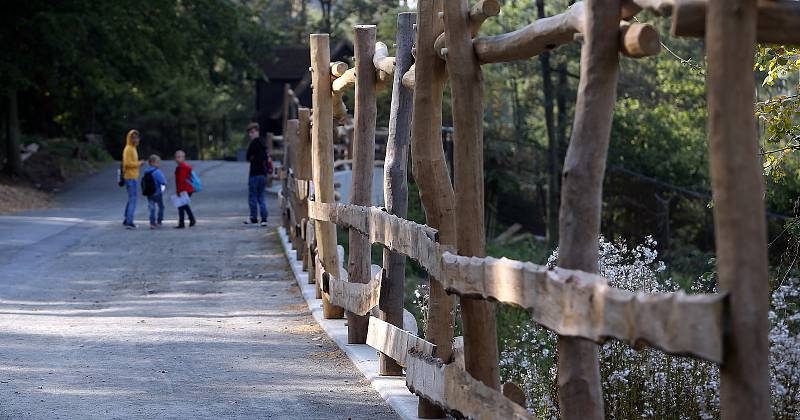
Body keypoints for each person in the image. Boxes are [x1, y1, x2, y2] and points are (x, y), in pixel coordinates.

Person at [244, 122, 271, 227]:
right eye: (249, 133)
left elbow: (248, 157)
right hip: (263, 174)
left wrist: (253, 158)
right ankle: (264, 218)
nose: (251, 135)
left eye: (252, 132)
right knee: (261, 197)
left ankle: (253, 217)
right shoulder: (264, 144)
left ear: (257, 132)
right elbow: (266, 157)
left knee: (253, 196)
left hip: (254, 174)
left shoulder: (253, 144)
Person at [122, 130, 144, 229]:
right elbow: (127, 163)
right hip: (130, 177)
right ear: (129, 138)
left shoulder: (133, 148)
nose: (135, 139)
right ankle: (130, 222)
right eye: (133, 137)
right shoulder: (128, 149)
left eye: (136, 137)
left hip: (133, 176)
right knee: (133, 199)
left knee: (131, 198)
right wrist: (138, 163)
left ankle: (127, 218)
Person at [142, 155, 167, 229]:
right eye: (158, 163)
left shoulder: (146, 172)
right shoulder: (157, 172)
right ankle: (159, 220)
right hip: (157, 193)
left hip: (149, 193)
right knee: (161, 207)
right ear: (153, 163)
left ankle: (152, 223)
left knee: (152, 208)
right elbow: (163, 181)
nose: (159, 164)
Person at [174, 150, 196, 229]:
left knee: (181, 206)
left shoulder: (182, 168)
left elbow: (181, 181)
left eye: (179, 157)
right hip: (187, 189)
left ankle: (183, 223)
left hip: (185, 189)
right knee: (184, 205)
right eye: (176, 157)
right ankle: (190, 220)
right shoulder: (181, 167)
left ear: (184, 158)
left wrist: (179, 191)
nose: (177, 159)